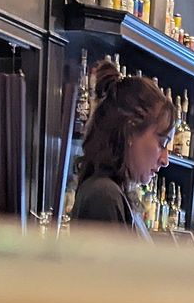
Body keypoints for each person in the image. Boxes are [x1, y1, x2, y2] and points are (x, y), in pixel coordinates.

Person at [72, 61, 175, 235]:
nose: (165, 160)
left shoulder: (112, 192)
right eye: (162, 144)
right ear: (130, 132)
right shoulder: (103, 195)